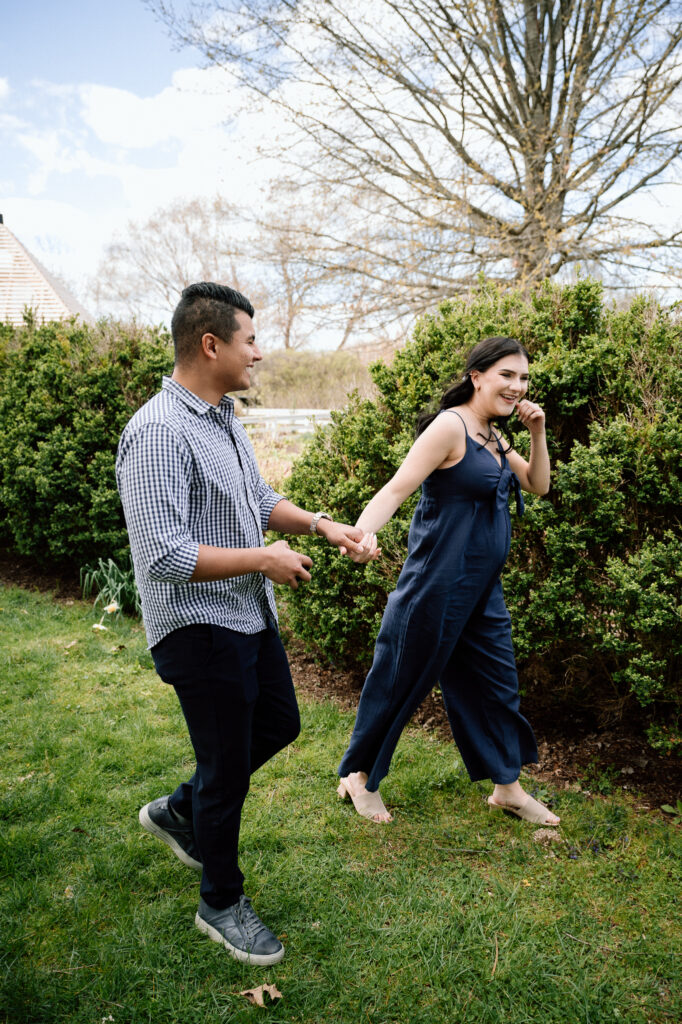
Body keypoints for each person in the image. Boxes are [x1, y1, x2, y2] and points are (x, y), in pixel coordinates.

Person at [116, 282, 366, 965]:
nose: (259, 352)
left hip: (246, 615)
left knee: (279, 723)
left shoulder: (222, 417)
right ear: (211, 344)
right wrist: (264, 558)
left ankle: (181, 810)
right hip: (196, 627)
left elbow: (256, 496)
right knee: (227, 765)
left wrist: (321, 524)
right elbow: (164, 555)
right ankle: (220, 900)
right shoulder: (158, 432)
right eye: (250, 339)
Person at [337, 335, 560, 826]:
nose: (517, 386)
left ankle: (507, 788)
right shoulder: (451, 426)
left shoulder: (494, 435)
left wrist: (538, 433)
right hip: (435, 587)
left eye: (523, 378)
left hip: (482, 591)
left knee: (496, 687)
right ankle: (358, 775)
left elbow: (538, 485)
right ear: (476, 376)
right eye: (506, 375)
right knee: (399, 682)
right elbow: (397, 487)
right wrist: (360, 536)